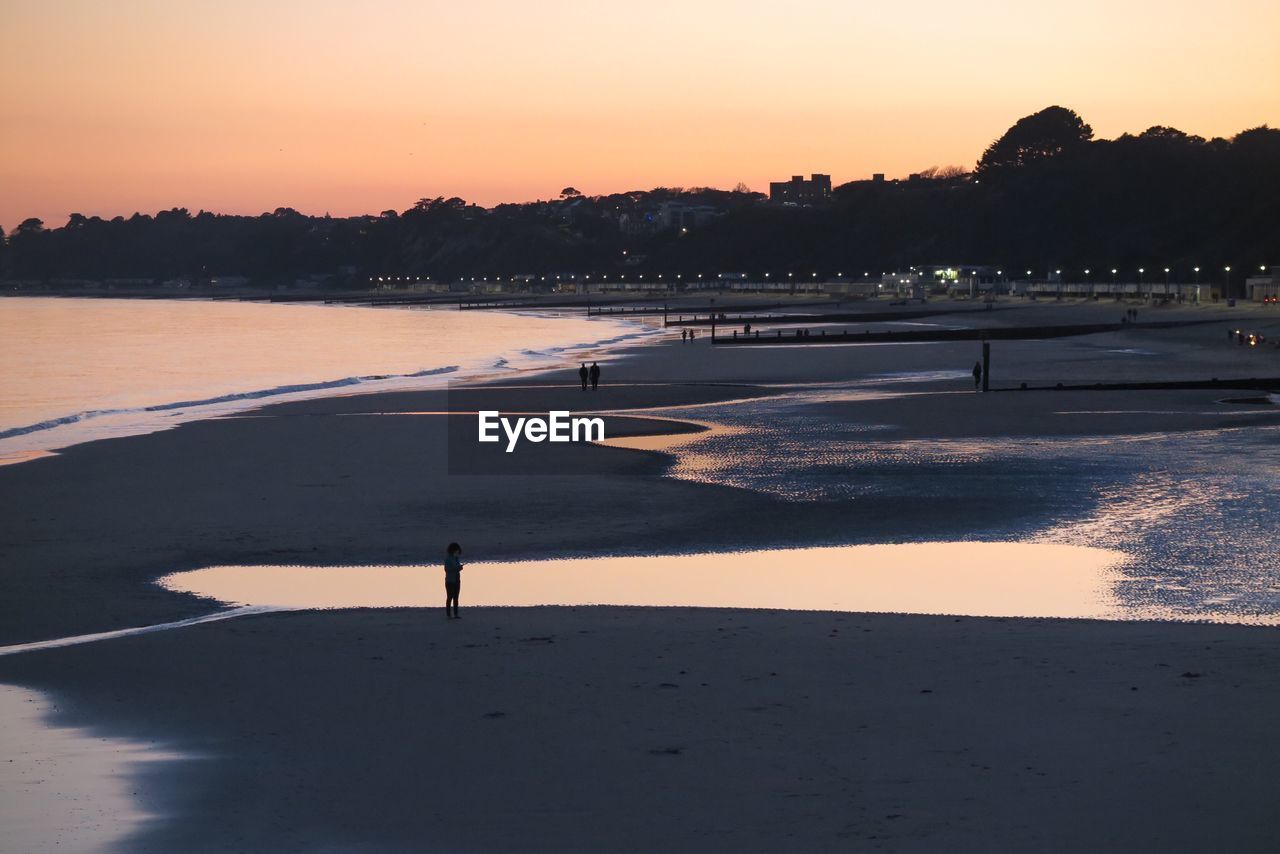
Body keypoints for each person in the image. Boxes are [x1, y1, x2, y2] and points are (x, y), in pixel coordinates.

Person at [444, 542, 463, 619]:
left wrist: (459, 568)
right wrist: (456, 568)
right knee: (449, 597)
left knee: (456, 597)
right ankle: (448, 614)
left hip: (457, 579)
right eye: (456, 551)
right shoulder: (448, 559)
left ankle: (456, 614)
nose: (457, 552)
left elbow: (457, 568)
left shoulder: (456, 558)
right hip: (450, 580)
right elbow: (446, 569)